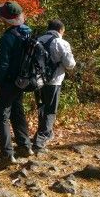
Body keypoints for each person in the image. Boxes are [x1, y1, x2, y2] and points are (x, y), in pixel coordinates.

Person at [0, 1, 34, 167]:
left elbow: (3, 64)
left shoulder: (8, 38)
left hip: (8, 82)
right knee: (17, 112)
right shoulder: (27, 32)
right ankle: (25, 146)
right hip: (22, 81)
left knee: (0, 116)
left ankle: (7, 155)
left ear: (6, 19)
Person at [33, 19, 76, 153]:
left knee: (41, 108)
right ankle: (40, 141)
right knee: (50, 110)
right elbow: (70, 64)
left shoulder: (38, 40)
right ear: (60, 30)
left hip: (36, 81)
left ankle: (43, 133)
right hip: (54, 81)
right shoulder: (61, 43)